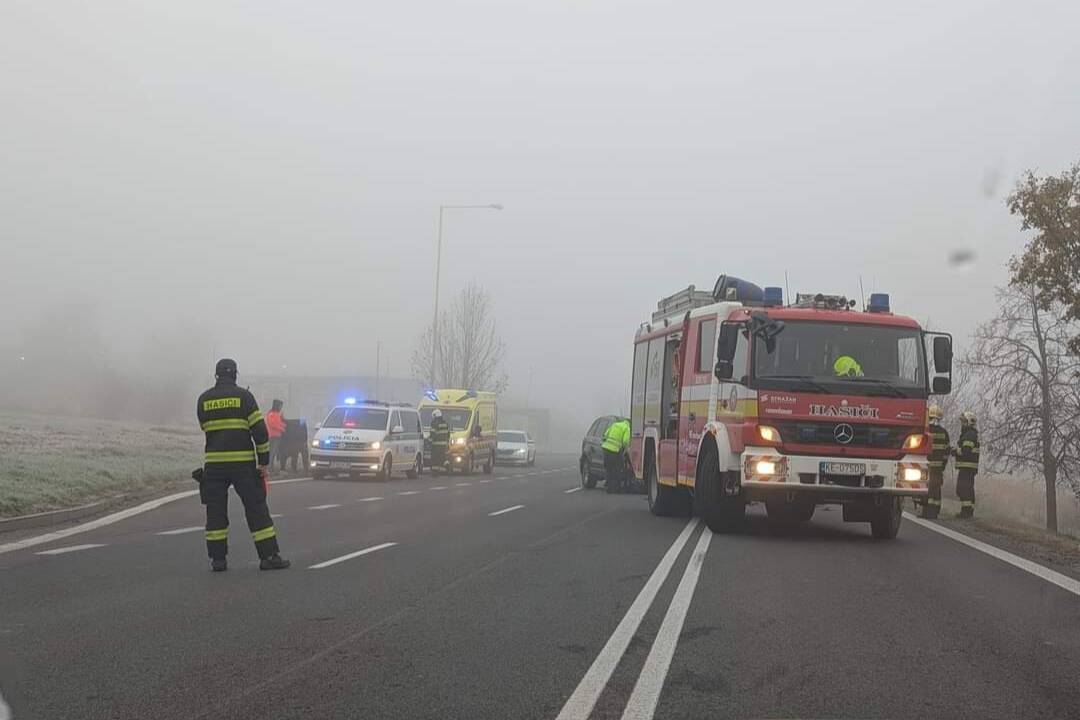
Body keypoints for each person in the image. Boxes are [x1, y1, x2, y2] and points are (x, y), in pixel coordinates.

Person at [197, 359, 290, 572]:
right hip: (243, 466)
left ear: (217, 375)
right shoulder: (245, 397)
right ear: (235, 375)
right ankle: (268, 557)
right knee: (256, 508)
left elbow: (205, 426)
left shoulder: (204, 400)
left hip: (214, 466)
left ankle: (218, 560)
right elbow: (260, 432)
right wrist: (264, 462)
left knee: (215, 512)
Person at [921, 404, 951, 519]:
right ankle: (935, 511)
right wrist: (943, 465)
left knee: (926, 488)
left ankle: (926, 511)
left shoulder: (926, 430)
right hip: (938, 467)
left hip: (926, 465)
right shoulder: (944, 433)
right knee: (936, 488)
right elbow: (947, 451)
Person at [954, 410, 980, 519]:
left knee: (962, 488)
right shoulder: (970, 434)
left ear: (969, 422)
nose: (962, 424)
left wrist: (954, 451)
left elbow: (965, 451)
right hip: (968, 467)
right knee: (968, 489)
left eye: (964, 422)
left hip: (967, 467)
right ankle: (968, 512)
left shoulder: (969, 435)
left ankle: (966, 513)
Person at [601, 418, 631, 493]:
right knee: (617, 469)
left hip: (606, 449)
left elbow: (605, 435)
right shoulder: (626, 428)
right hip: (615, 450)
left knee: (608, 468)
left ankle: (608, 486)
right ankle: (616, 488)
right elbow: (625, 441)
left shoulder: (614, 425)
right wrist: (625, 449)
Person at [265, 399, 286, 470]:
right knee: (272, 453)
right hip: (273, 436)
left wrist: (283, 425)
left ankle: (272, 467)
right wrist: (282, 428)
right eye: (280, 406)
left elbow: (280, 423)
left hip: (278, 436)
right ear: (277, 405)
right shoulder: (271, 414)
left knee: (275, 452)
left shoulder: (277, 414)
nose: (281, 407)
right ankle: (270, 467)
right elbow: (273, 424)